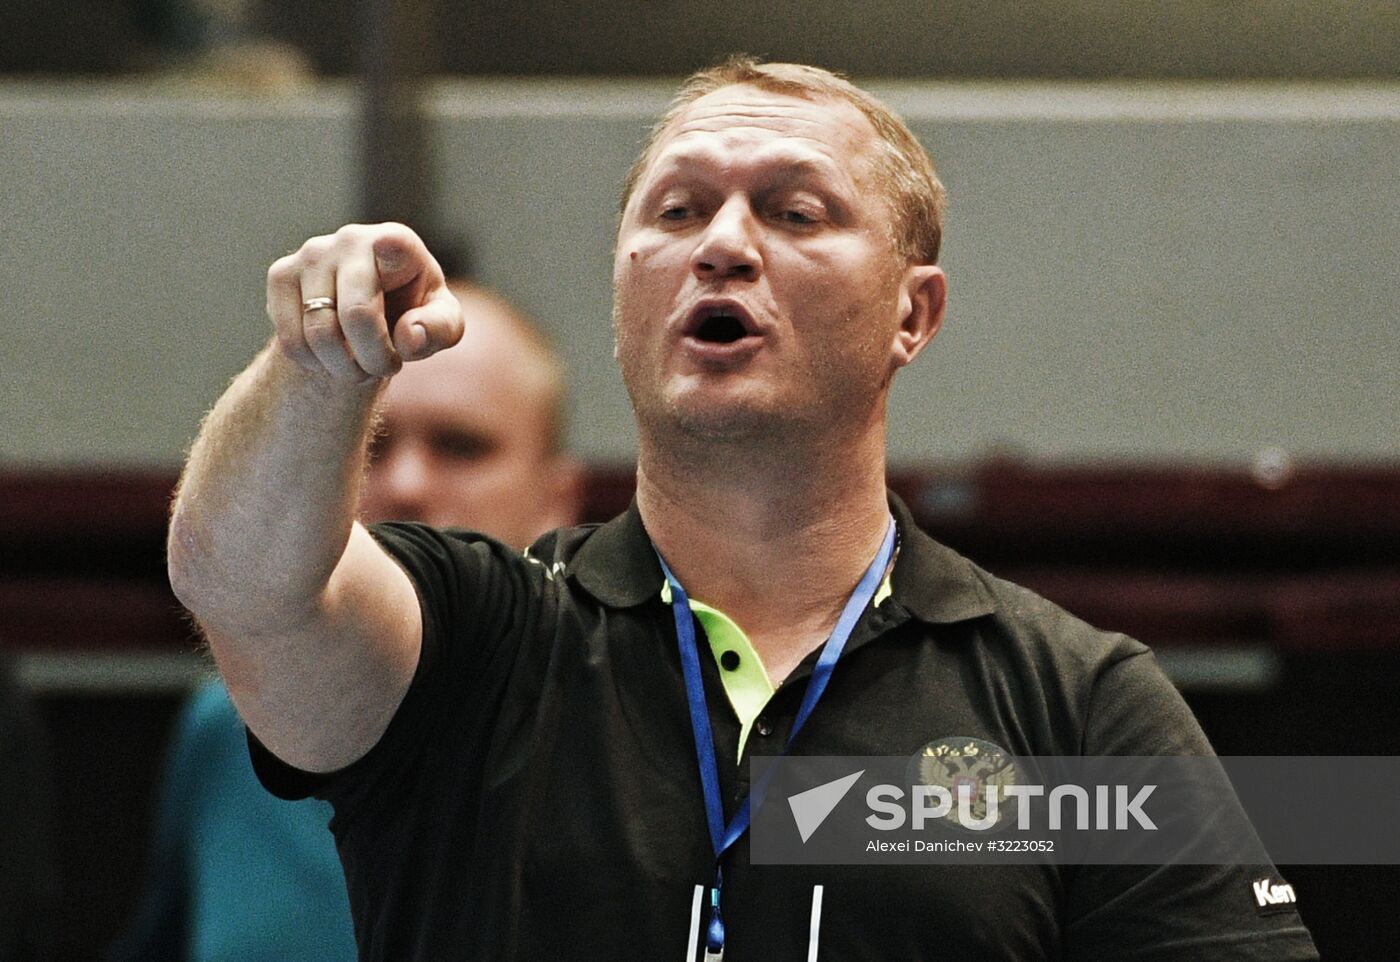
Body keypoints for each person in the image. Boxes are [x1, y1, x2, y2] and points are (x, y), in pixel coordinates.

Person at [166, 58, 1318, 960]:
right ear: (624, 292)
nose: (720, 244)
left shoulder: (1068, 701)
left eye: (794, 212)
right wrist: (313, 370)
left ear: (911, 315)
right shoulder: (478, 638)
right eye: (674, 212)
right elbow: (248, 588)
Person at [110, 283, 579, 962]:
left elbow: (789, 895)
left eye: (461, 446)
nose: (410, 483)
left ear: (555, 498)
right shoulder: (223, 726)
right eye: (372, 446)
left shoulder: (702, 707)